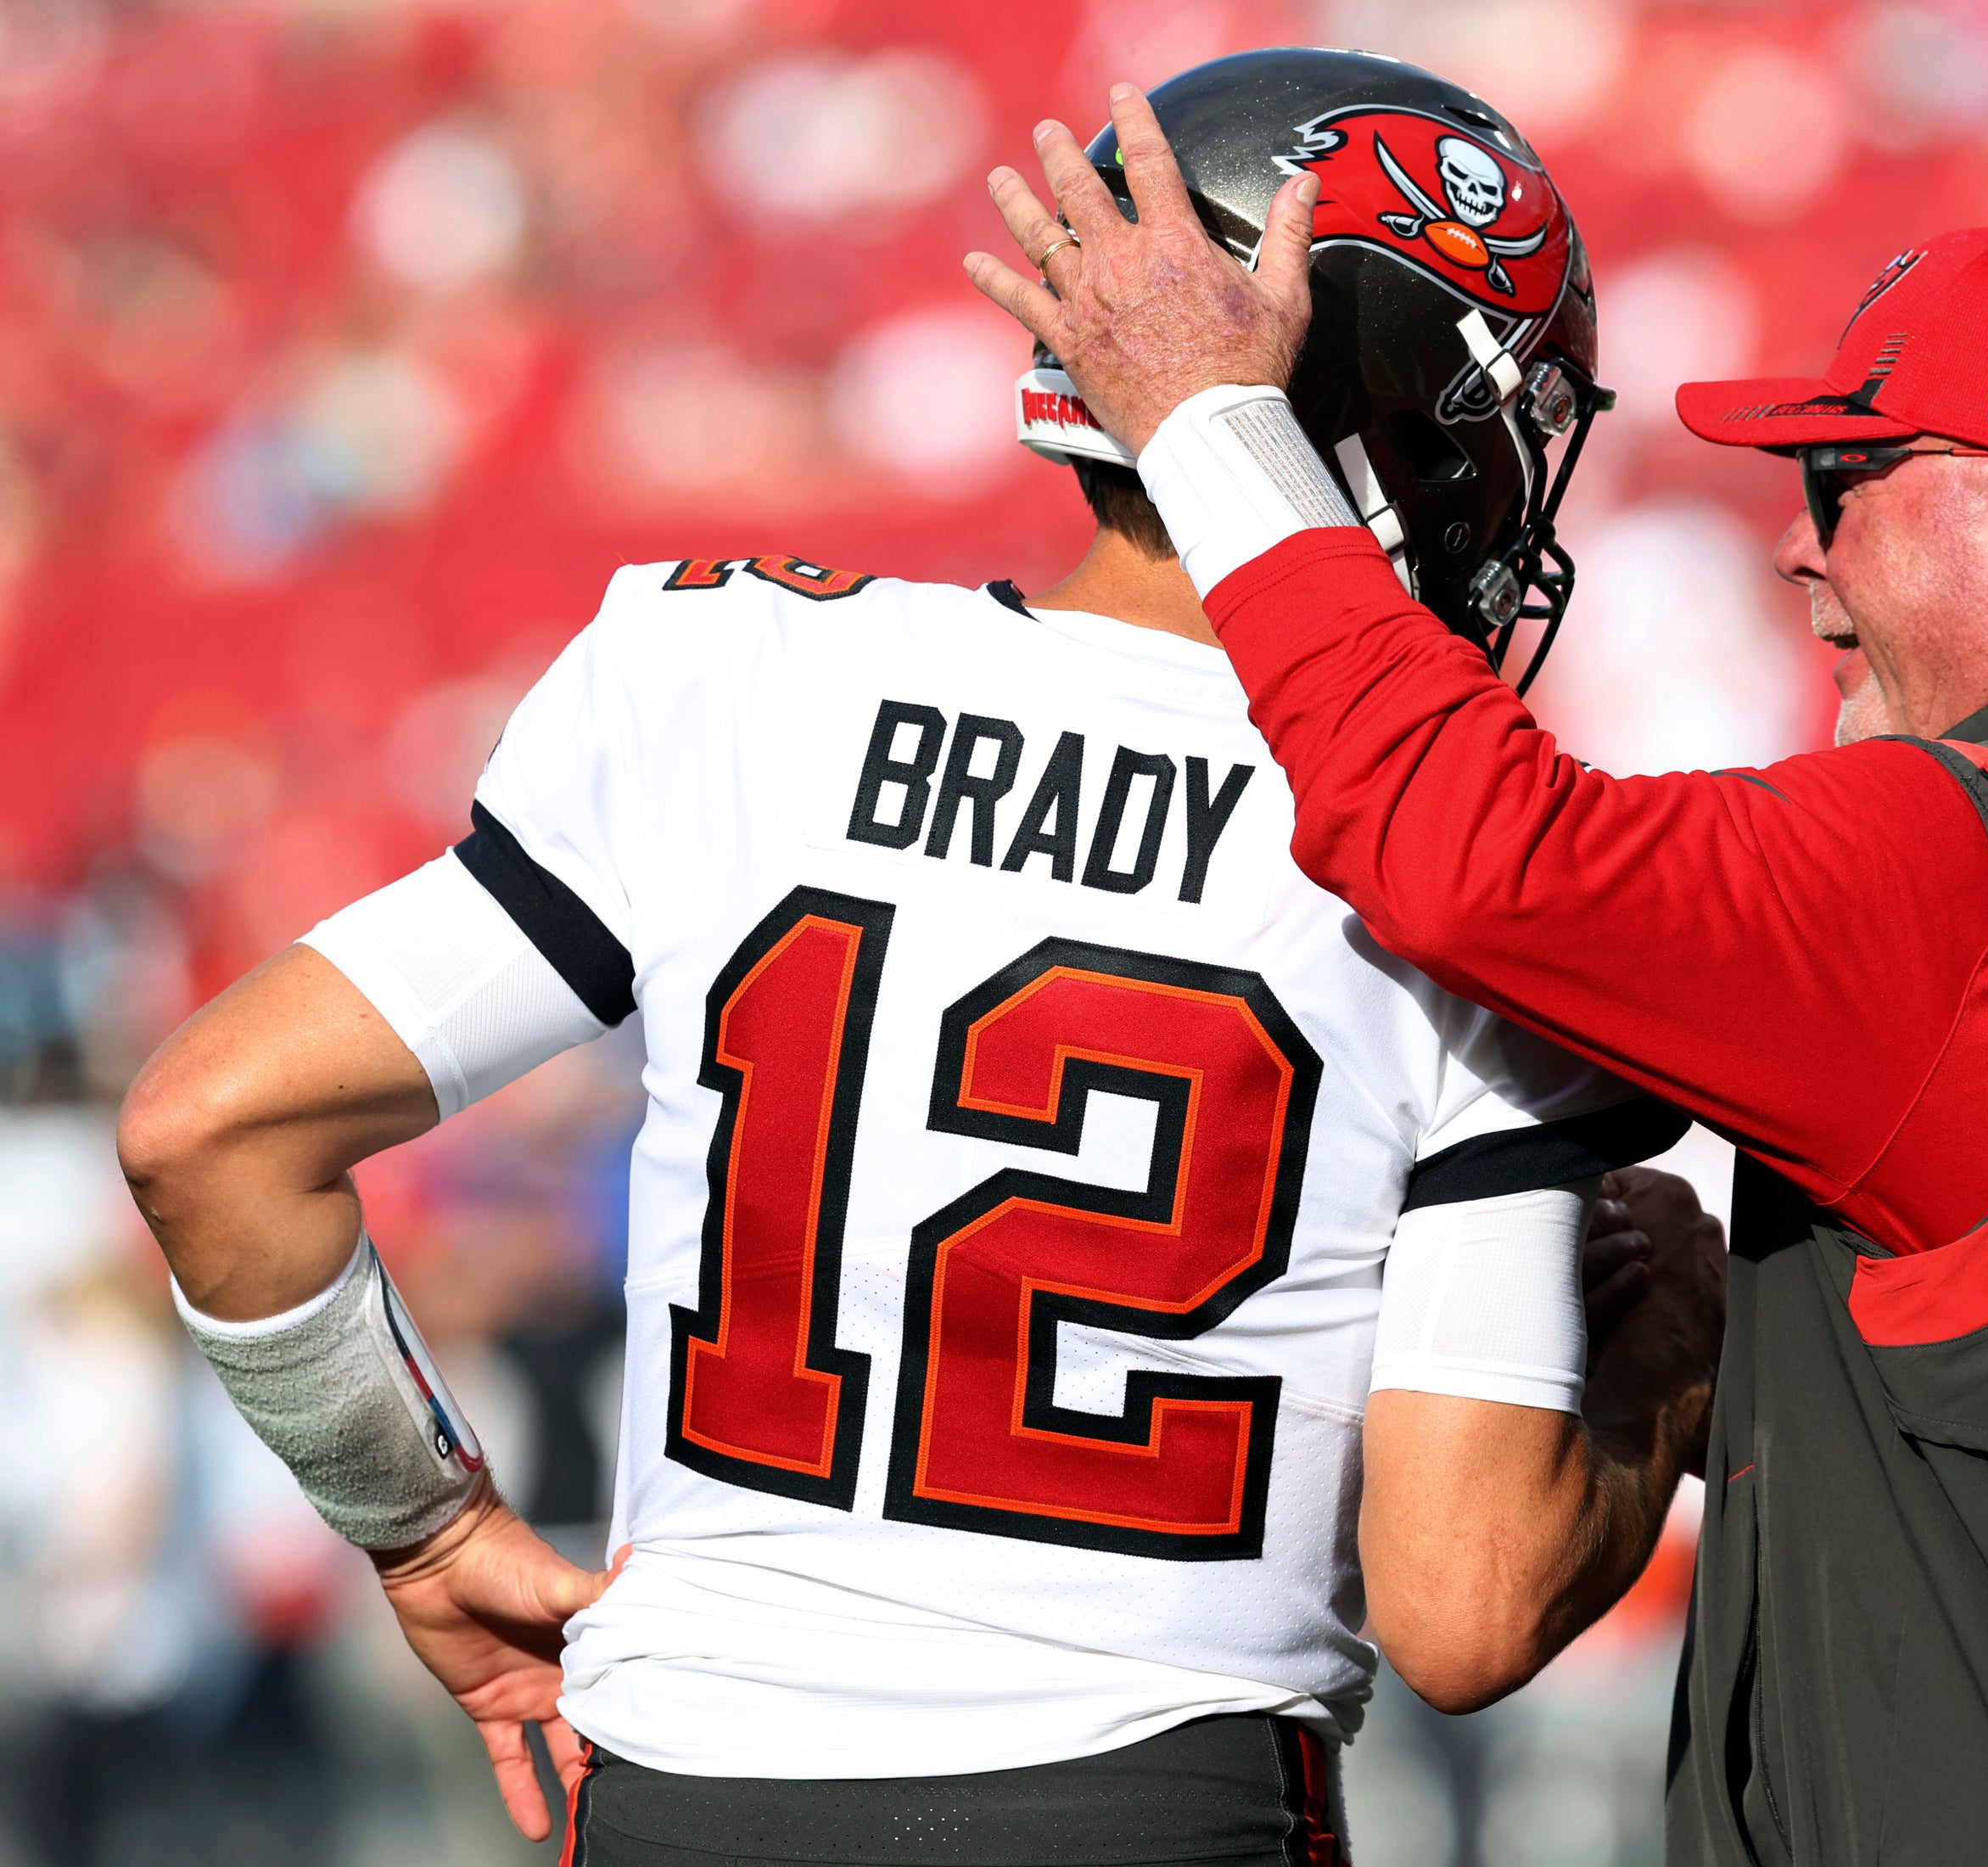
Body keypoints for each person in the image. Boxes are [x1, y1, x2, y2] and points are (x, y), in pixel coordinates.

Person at [115, 49, 1728, 1867]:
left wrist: (413, 1521)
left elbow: (207, 1128)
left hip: (673, 1798)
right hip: (1153, 1801)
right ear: (1397, 410)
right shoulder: (1465, 845)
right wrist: (1671, 1362)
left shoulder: (724, 676)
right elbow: (1470, 1601)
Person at [967, 90, 1988, 1864]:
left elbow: (1457, 844)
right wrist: (1799, 1356)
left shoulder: (1964, 860)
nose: (1803, 556)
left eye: (1843, 485)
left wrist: (1214, 426)